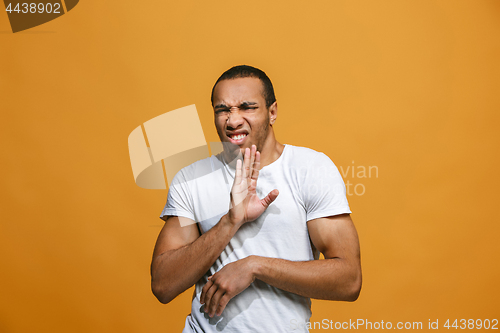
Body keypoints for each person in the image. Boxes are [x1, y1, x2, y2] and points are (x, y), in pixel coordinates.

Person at [151, 65, 362, 332]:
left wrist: (254, 267)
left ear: (272, 112)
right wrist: (229, 222)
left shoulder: (311, 169)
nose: (233, 120)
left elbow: (349, 280)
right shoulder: (191, 179)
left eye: (247, 107)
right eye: (223, 109)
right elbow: (163, 285)